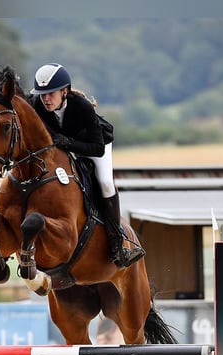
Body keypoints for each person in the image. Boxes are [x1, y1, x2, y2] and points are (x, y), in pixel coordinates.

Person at [29, 63, 145, 268]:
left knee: (106, 183)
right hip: (62, 150)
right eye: (42, 94)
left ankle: (117, 241)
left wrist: (68, 143)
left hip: (93, 145)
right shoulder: (36, 104)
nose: (46, 99)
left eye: (51, 94)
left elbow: (97, 148)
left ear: (64, 91)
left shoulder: (81, 106)